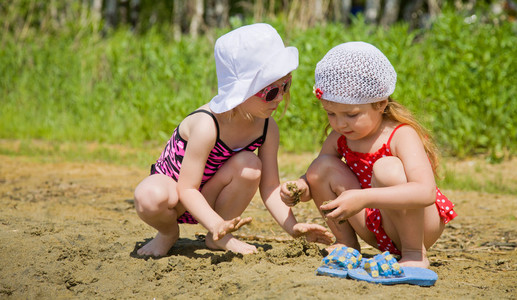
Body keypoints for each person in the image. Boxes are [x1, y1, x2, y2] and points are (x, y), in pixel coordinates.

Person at [134, 23, 334, 257]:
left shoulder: (267, 128)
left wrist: (293, 227)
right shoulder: (207, 125)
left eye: (286, 85)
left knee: (250, 165)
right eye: (270, 91)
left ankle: (218, 238)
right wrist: (215, 222)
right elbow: (186, 188)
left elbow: (269, 187)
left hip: (210, 197)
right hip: (176, 199)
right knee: (149, 196)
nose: (280, 97)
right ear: (241, 92)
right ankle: (168, 234)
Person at [280, 42, 457, 268]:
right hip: (374, 225)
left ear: (380, 104)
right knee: (321, 166)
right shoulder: (340, 137)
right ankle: (345, 242)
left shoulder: (401, 135)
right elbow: (316, 179)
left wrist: (364, 198)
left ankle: (414, 254)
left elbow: (425, 193)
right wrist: (300, 187)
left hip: (419, 227)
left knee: (387, 168)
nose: (340, 123)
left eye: (351, 115)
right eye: (331, 114)